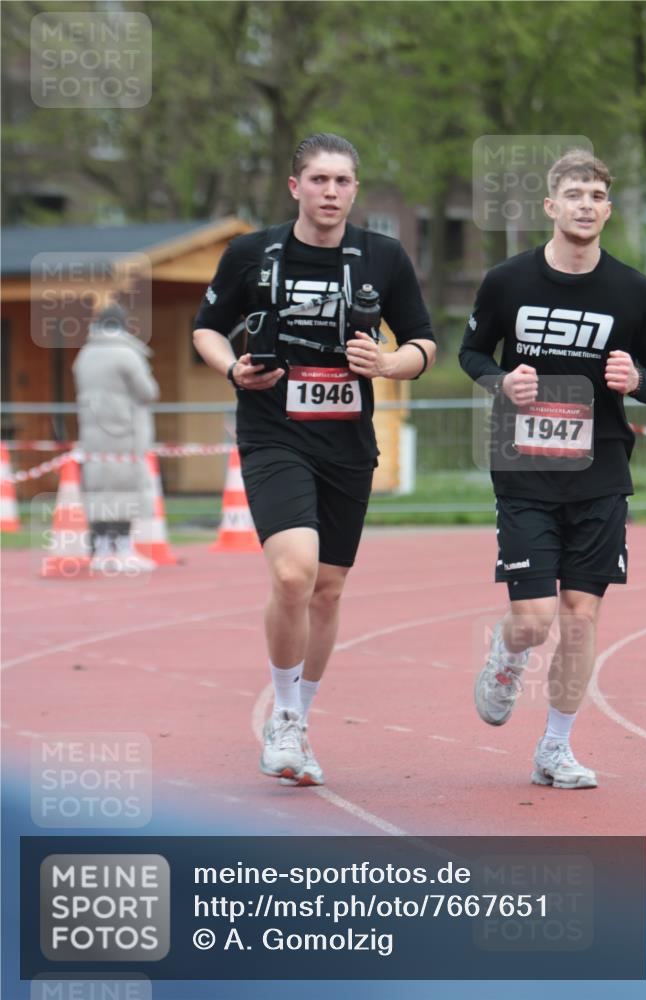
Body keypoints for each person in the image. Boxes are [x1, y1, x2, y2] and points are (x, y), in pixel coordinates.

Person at [193, 132, 435, 786]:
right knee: (294, 575)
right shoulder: (252, 254)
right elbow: (206, 329)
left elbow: (423, 343)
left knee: (327, 589)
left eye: (343, 182)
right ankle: (282, 715)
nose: (331, 192)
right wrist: (234, 369)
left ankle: (299, 716)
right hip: (274, 432)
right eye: (319, 180)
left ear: (355, 190)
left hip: (347, 441)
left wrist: (388, 362)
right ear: (295, 186)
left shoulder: (382, 257)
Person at [459, 149, 646, 789]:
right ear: (551, 206)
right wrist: (499, 381)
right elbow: (471, 350)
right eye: (573, 193)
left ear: (607, 208)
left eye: (596, 195)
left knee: (581, 615)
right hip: (523, 466)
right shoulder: (507, 281)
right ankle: (505, 651)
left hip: (601, 469)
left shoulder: (632, 290)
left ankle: (555, 747)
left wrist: (638, 380)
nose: (585, 205)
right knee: (534, 619)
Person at [73, 302, 159, 573]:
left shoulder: (85, 354)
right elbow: (148, 392)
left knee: (99, 490)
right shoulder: (126, 353)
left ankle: (99, 549)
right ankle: (122, 548)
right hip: (124, 432)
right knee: (125, 489)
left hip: (92, 432)